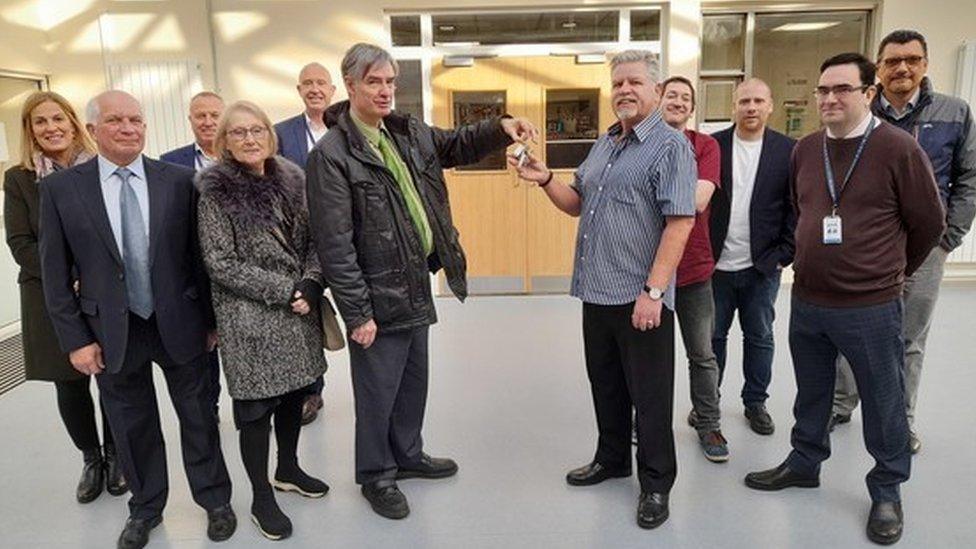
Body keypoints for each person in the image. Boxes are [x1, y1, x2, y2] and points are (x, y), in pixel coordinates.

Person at [307, 42, 537, 520]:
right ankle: (376, 474)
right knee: (377, 392)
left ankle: (408, 455)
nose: (386, 90)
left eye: (391, 81)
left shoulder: (406, 132)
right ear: (350, 86)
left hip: (414, 282)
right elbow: (334, 242)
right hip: (375, 294)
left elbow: (455, 144)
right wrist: (357, 311)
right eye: (374, 82)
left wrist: (501, 126)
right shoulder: (332, 154)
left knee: (413, 382)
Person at [744, 53, 945, 546]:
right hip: (810, 300)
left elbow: (929, 224)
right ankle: (805, 462)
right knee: (812, 392)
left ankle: (887, 488)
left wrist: (891, 273)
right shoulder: (806, 149)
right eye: (823, 91)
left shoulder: (897, 148)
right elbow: (802, 208)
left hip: (870, 305)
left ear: (868, 94)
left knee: (883, 399)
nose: (830, 99)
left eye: (843, 90)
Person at [39, 90, 235, 549]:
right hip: (110, 331)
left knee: (198, 417)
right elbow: (53, 273)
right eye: (116, 121)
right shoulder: (62, 190)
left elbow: (198, 259)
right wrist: (76, 340)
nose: (129, 128)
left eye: (136, 120)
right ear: (92, 130)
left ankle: (216, 501)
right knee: (132, 424)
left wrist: (212, 322)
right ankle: (146, 508)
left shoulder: (180, 180)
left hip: (180, 323)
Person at [513, 50, 696, 530]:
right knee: (607, 383)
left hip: (641, 295)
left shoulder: (671, 148)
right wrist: (545, 178)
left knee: (650, 394)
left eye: (634, 82)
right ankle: (612, 458)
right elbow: (576, 204)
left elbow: (680, 223)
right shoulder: (606, 142)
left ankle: (656, 482)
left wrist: (654, 292)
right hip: (596, 290)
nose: (624, 91)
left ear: (655, 91)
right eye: (617, 83)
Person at [830, 30, 976, 454]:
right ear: (879, 67)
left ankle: (901, 420)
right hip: (869, 246)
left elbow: (969, 178)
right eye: (893, 61)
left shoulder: (954, 112)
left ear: (925, 65)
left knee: (909, 338)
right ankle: (841, 404)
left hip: (926, 247)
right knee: (853, 328)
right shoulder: (860, 111)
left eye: (912, 59)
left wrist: (949, 238)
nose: (903, 68)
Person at [198, 100, 329, 541]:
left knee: (295, 394)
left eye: (257, 130)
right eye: (238, 133)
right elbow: (220, 262)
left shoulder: (293, 178)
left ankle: (288, 468)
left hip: (298, 313)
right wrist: (282, 289)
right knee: (256, 412)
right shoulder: (215, 192)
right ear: (224, 143)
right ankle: (260, 495)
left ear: (271, 136)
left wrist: (311, 283)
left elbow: (315, 240)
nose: (250, 139)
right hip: (249, 319)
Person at [3, 90, 127, 503]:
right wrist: (64, 277)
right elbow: (20, 242)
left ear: (74, 122)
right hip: (47, 296)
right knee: (69, 383)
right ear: (29, 131)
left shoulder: (100, 169)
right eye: (40, 122)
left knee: (112, 377)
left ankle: (117, 456)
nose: (51, 128)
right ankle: (92, 459)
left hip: (100, 290)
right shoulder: (19, 179)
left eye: (58, 118)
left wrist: (86, 275)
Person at [708, 78, 796, 435]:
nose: (751, 108)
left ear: (770, 105)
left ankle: (755, 402)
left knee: (759, 336)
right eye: (744, 101)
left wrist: (785, 254)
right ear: (734, 106)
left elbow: (798, 206)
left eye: (759, 100)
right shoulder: (714, 146)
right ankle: (707, 403)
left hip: (763, 265)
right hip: (716, 265)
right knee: (712, 338)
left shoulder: (788, 150)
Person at [658, 76, 727, 462]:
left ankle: (708, 423)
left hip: (693, 271)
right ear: (658, 100)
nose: (679, 102)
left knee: (701, 353)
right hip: (647, 272)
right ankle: (646, 422)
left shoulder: (705, 146)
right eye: (672, 95)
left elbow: (699, 201)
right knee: (649, 357)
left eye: (686, 98)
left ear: (692, 108)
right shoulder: (640, 145)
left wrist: (651, 194)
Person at [274, 62, 336, 425]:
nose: (314, 89)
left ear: (332, 91)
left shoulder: (347, 131)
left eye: (321, 83)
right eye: (307, 83)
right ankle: (311, 390)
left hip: (345, 237)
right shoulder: (281, 134)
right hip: (302, 241)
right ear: (299, 90)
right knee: (306, 311)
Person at [160, 90, 226, 419]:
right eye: (200, 115)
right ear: (190, 120)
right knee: (204, 344)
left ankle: (254, 409)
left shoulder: (242, 155)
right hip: (194, 271)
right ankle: (209, 407)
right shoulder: (170, 162)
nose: (208, 122)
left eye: (215, 115)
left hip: (235, 268)